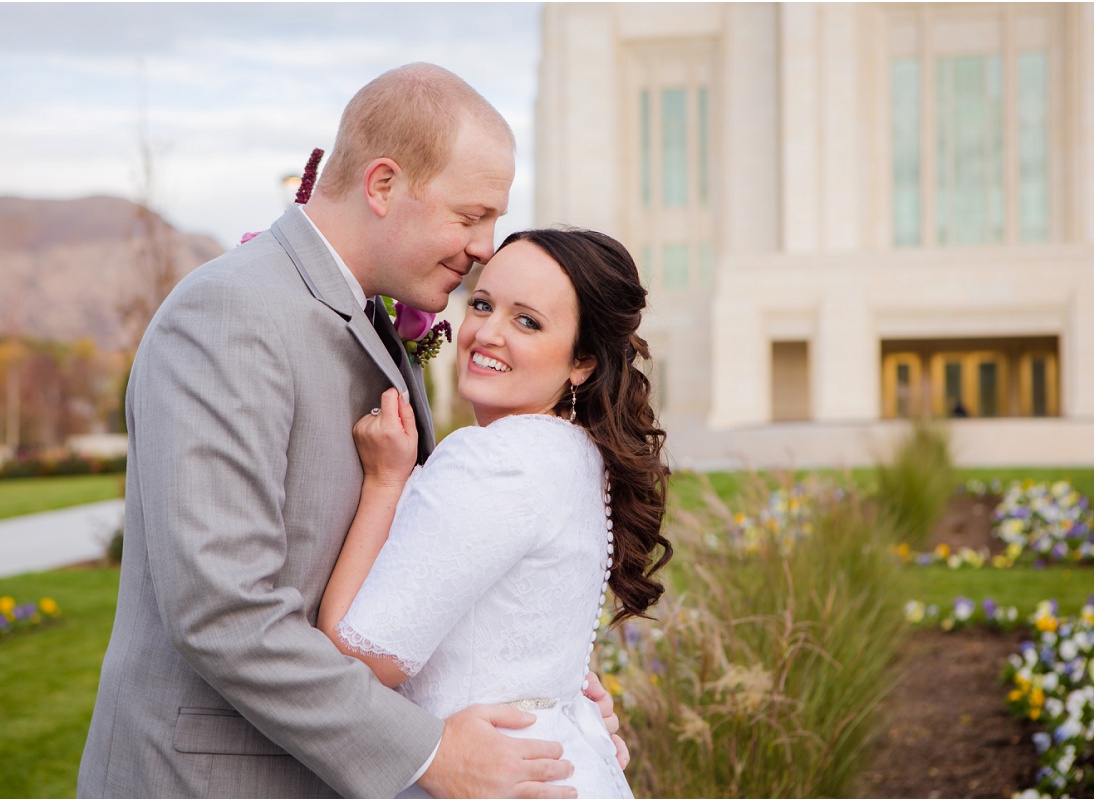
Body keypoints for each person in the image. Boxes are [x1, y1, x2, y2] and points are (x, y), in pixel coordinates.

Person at [78, 64, 620, 798]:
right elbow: (222, 610)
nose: (485, 247)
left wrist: (543, 696)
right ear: (384, 185)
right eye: (470, 217)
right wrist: (430, 752)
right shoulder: (231, 313)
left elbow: (431, 560)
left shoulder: (377, 325)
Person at [316, 228, 673, 797]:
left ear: (582, 362)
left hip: (495, 777)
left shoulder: (492, 459)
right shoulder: (578, 454)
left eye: (527, 321)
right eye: (482, 304)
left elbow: (355, 662)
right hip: (559, 766)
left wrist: (386, 482)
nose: (487, 333)